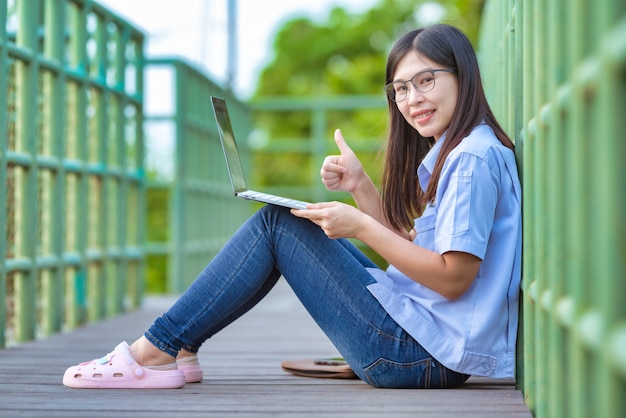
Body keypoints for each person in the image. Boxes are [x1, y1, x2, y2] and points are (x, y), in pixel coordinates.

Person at [63, 23, 521, 389]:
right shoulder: (463, 151)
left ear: (463, 75)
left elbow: (452, 279)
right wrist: (361, 188)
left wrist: (359, 225)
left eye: (426, 81)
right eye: (401, 89)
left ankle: (155, 350)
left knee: (277, 226)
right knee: (282, 222)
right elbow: (419, 255)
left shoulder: (471, 160)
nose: (412, 99)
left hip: (415, 354)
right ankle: (177, 348)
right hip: (425, 341)